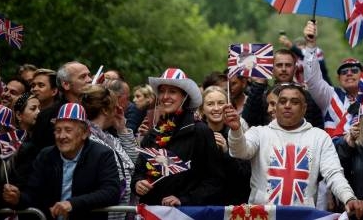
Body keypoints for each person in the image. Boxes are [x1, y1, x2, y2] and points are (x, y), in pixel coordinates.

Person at [226, 83, 363, 216]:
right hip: (263, 216)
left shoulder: (319, 137)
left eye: (294, 102)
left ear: (304, 108)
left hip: (302, 216)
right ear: (276, 107)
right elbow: (240, 151)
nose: (287, 106)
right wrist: (236, 130)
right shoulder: (259, 133)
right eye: (282, 101)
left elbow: (333, 173)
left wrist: (349, 197)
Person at [5, 103, 121, 220]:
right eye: (58, 130)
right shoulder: (46, 156)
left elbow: (111, 192)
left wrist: (73, 204)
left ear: (85, 133)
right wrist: (18, 198)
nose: (61, 136)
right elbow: (33, 193)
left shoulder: (102, 154)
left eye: (68, 130)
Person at [132, 68, 224, 206]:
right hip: (152, 212)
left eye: (172, 91)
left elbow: (215, 181)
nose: (165, 96)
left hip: (185, 214)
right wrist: (138, 183)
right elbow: (139, 171)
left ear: (185, 96)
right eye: (162, 91)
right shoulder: (154, 132)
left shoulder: (200, 131)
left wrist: (183, 199)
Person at [81, 85, 136, 220]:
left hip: (121, 215)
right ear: (105, 110)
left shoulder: (110, 137)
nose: (119, 110)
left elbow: (135, 162)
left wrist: (122, 129)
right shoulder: (86, 140)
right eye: (115, 106)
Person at [199, 85, 250, 204]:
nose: (216, 108)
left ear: (228, 106)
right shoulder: (195, 133)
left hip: (232, 204)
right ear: (202, 109)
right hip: (202, 204)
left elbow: (244, 176)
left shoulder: (238, 134)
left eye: (221, 103)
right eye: (210, 104)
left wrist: (227, 152)